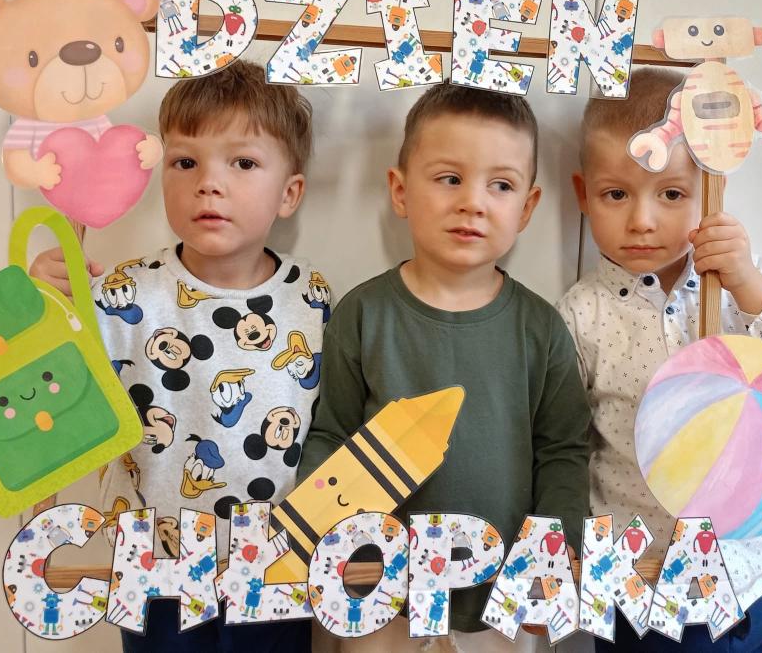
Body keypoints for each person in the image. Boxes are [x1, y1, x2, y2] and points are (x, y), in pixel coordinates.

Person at [30, 59, 329, 652]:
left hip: (273, 569)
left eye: (243, 163)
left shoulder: (313, 298)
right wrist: (40, 301)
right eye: (185, 162)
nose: (208, 183)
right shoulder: (122, 294)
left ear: (289, 193)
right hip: (153, 569)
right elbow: (48, 387)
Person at [558, 67, 762, 651]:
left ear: (712, 191)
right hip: (650, 587)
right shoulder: (581, 316)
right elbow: (562, 446)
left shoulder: (747, 283)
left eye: (671, 194)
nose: (642, 220)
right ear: (583, 195)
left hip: (757, 573)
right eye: (616, 194)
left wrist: (751, 290)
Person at [298, 81, 591, 652]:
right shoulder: (364, 314)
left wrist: (556, 547)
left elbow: (562, 450)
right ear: (400, 190)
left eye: (500, 185)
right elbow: (332, 434)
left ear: (527, 207)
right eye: (450, 178)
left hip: (500, 598)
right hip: (379, 592)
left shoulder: (541, 328)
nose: (473, 202)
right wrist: (324, 536)